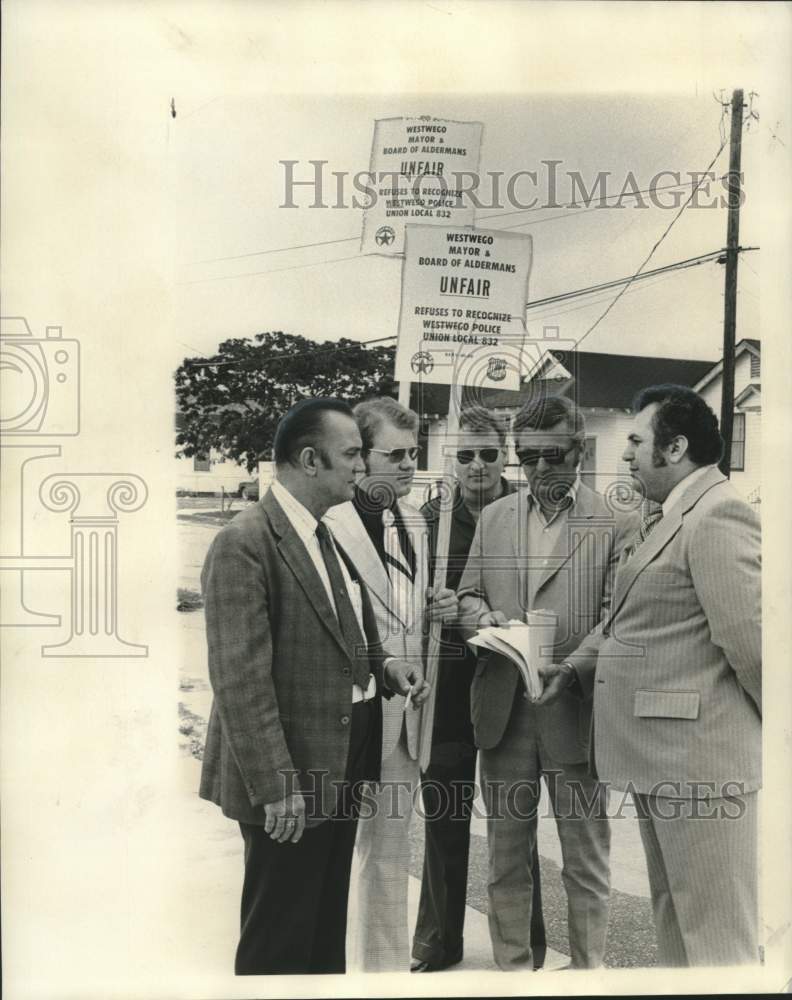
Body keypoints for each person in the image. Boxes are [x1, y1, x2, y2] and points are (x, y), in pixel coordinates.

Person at [199, 397, 429, 975]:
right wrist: (277, 786)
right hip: (291, 772)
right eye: (351, 454)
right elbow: (239, 679)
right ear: (309, 460)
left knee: (323, 925)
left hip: (340, 758)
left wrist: (383, 667)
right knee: (279, 934)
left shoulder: (320, 530)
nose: (361, 467)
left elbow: (341, 624)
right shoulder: (244, 541)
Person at [540, 385, 762, 966]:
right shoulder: (668, 514)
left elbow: (753, 648)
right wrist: (574, 669)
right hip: (662, 758)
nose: (626, 453)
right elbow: (625, 619)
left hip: (700, 763)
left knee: (717, 938)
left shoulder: (718, 514)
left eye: (637, 441)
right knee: (676, 920)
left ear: (676, 447)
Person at [457, 394, 636, 971]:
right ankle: (512, 972)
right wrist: (480, 618)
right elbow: (466, 595)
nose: (537, 472)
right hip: (504, 712)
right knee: (506, 859)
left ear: (579, 452)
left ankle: (588, 974)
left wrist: (574, 667)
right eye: (526, 459)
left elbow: (618, 617)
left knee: (584, 860)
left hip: (574, 712)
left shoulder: (614, 521)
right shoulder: (493, 518)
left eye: (551, 457)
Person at [410, 404, 547, 972]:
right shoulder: (430, 517)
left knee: (515, 822)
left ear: (505, 457)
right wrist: (431, 603)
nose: (476, 465)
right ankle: (438, 942)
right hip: (447, 684)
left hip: (506, 684)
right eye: (464, 455)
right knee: (444, 813)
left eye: (488, 454)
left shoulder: (529, 511)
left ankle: (525, 945)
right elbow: (406, 589)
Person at [324, 396, 458, 971]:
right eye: (395, 455)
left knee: (388, 854)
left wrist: (441, 605)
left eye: (414, 454)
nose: (409, 466)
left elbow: (410, 612)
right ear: (360, 456)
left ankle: (382, 976)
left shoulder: (416, 521)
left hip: (405, 714)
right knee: (328, 857)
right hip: (344, 715)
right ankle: (322, 971)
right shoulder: (328, 521)